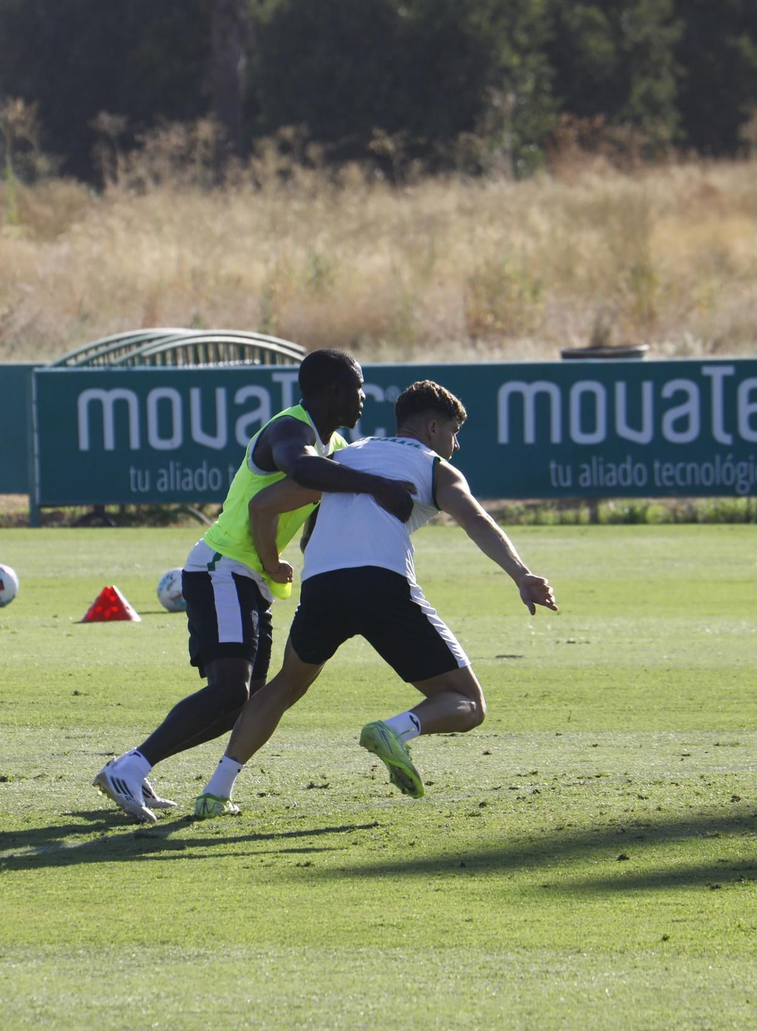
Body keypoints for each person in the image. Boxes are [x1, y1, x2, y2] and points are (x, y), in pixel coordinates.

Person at [190, 380, 557, 819]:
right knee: (469, 704)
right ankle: (396, 730)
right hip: (382, 584)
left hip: (322, 586)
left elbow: (263, 504)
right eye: (454, 433)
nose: (455, 445)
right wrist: (521, 574)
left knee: (286, 685)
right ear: (433, 428)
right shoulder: (434, 466)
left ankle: (215, 790)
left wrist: (272, 562)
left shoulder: (345, 457)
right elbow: (474, 518)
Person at [94, 349, 417, 821]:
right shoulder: (290, 429)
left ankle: (132, 767)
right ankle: (131, 766)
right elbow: (301, 469)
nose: (364, 398)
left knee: (239, 703)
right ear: (334, 390)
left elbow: (315, 509)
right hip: (222, 567)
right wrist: (376, 484)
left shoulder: (332, 444)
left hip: (248, 579)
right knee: (230, 692)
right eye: (358, 387)